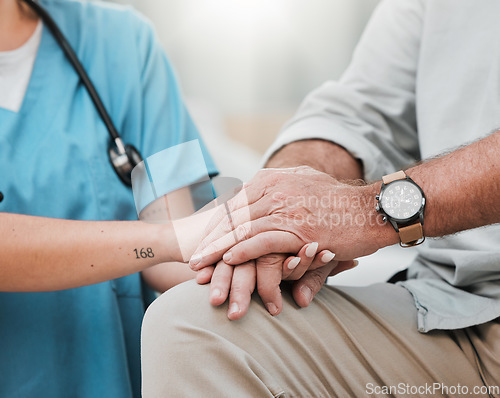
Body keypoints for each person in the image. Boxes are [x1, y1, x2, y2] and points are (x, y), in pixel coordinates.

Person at [141, 0, 500, 397]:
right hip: (452, 310)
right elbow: (354, 116)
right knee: (190, 325)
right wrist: (280, 204)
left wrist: (359, 212)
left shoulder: (137, 49)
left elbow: (171, 247)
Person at [0, 0, 220, 396]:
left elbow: (176, 259)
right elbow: (174, 237)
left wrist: (256, 246)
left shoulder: (124, 43)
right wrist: (170, 239)